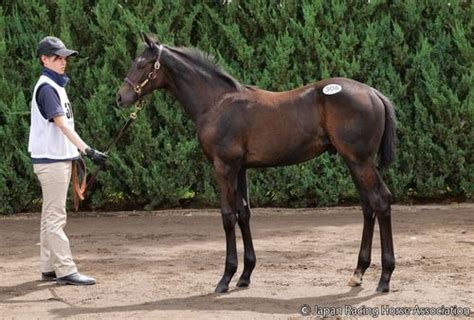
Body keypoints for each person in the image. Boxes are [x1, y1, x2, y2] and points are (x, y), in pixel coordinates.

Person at [28, 36, 108, 285]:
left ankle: (49, 266)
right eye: (57, 58)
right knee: (55, 217)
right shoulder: (48, 88)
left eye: (64, 57)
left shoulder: (55, 86)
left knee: (49, 215)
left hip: (54, 159)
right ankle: (65, 269)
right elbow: (61, 124)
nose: (63, 62)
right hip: (52, 162)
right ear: (44, 59)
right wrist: (88, 150)